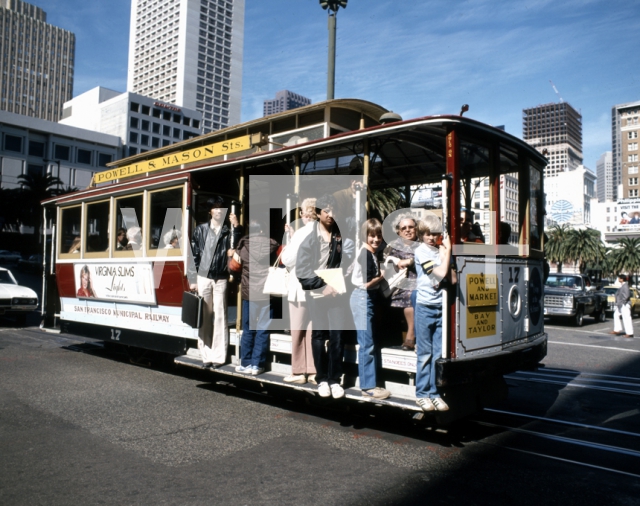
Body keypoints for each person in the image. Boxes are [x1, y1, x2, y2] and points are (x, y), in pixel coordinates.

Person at [296, 193, 353, 399]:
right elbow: (302, 271)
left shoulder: (339, 235)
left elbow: (344, 262)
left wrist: (340, 282)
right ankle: (321, 379)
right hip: (318, 292)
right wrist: (322, 286)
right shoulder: (309, 237)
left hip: (337, 290)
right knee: (319, 335)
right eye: (326, 210)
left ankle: (335, 379)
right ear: (318, 213)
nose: (330, 214)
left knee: (337, 336)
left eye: (333, 210)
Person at [190, 196, 242, 368]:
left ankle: (219, 356)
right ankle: (206, 356)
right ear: (210, 211)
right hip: (204, 277)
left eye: (222, 208)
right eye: (215, 208)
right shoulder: (200, 230)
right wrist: (193, 279)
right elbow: (193, 255)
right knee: (204, 317)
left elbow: (236, 246)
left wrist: (236, 226)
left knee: (221, 316)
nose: (219, 211)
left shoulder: (228, 231)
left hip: (221, 277)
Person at [413, 215, 452, 412]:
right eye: (427, 234)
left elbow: (451, 278)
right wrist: (448, 251)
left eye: (435, 234)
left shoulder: (438, 251)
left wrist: (444, 253)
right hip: (425, 306)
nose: (431, 237)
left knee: (437, 354)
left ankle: (434, 393)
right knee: (424, 354)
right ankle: (422, 393)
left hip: (439, 306)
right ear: (421, 235)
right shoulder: (420, 251)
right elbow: (440, 274)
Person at [350, 219, 391, 399]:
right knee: (366, 343)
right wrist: (382, 276)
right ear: (365, 235)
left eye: (378, 236)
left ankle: (371, 383)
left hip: (366, 297)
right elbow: (367, 283)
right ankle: (368, 386)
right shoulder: (366, 253)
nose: (375, 239)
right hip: (362, 296)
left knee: (369, 341)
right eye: (372, 235)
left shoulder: (371, 252)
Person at [234, 220, 279, 376]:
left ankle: (245, 363)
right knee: (263, 329)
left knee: (249, 329)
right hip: (267, 292)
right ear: (261, 231)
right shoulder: (272, 246)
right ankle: (257, 365)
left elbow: (233, 267)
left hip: (249, 292)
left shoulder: (243, 246)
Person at [280, 198, 318, 384]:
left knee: (297, 329)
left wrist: (290, 240)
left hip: (299, 287)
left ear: (305, 214)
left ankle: (298, 371)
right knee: (312, 330)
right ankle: (312, 370)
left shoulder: (302, 233)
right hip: (317, 288)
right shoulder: (324, 231)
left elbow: (288, 259)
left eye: (302, 213)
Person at [383, 214, 419, 350]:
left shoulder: (422, 244)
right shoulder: (393, 246)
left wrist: (410, 262)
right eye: (404, 228)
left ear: (416, 229)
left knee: (412, 294)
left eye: (411, 227)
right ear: (398, 231)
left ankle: (411, 335)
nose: (407, 230)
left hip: (419, 281)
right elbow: (385, 263)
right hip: (396, 283)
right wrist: (396, 262)